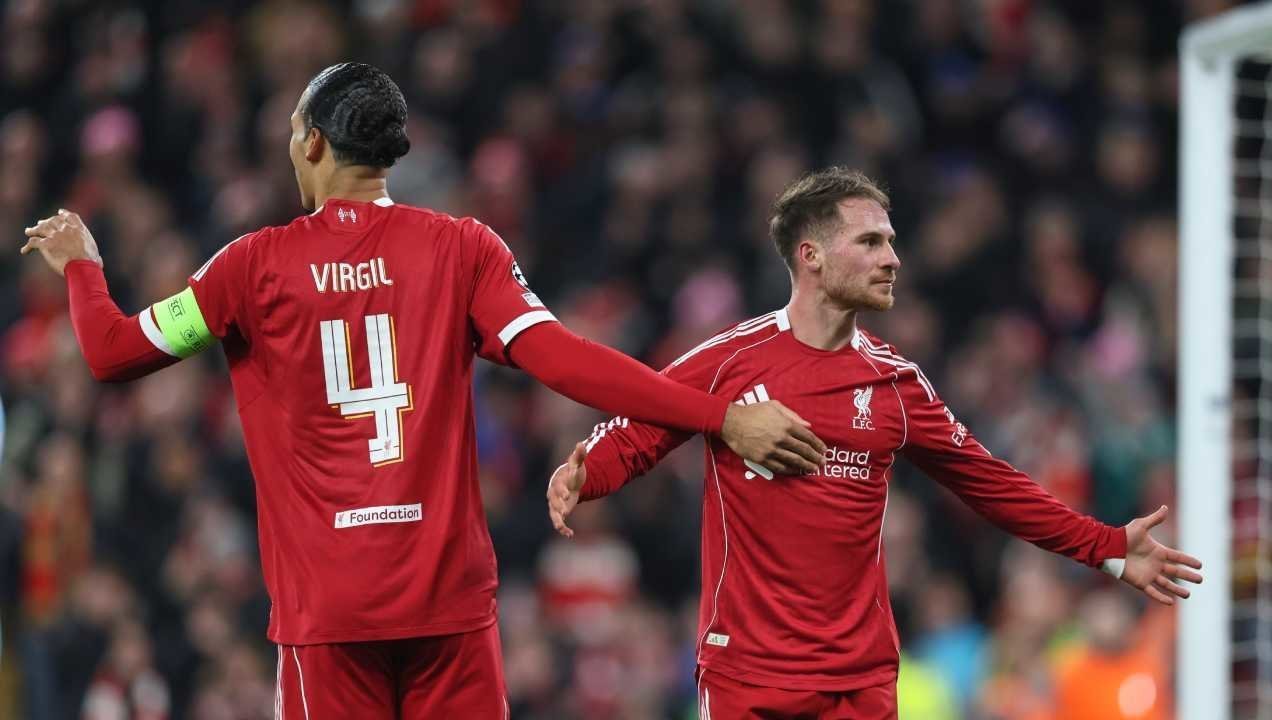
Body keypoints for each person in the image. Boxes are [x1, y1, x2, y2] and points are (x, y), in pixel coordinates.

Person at [19, 63, 827, 718]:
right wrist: (719, 416)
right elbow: (566, 360)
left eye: (293, 134)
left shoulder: (249, 269)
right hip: (448, 608)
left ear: (311, 143)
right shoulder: (462, 249)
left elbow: (112, 354)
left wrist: (83, 266)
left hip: (329, 618)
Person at [546, 166, 1203, 719]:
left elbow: (992, 484)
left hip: (858, 683)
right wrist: (586, 474)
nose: (893, 258)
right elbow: (640, 427)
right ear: (811, 256)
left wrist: (1105, 546)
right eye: (870, 242)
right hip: (750, 674)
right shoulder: (733, 360)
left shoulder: (895, 383)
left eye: (890, 241)